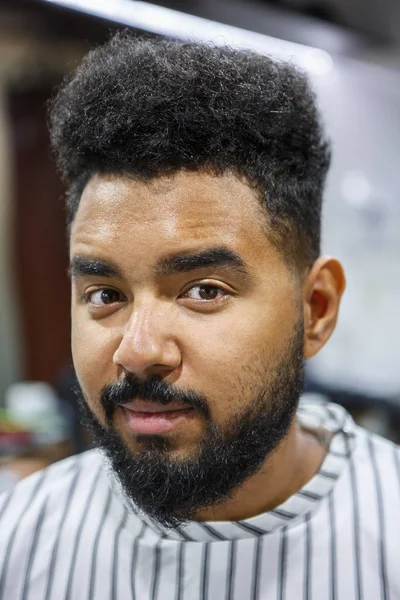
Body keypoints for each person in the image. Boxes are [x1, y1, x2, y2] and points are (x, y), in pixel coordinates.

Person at [0, 33, 398, 600]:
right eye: (103, 294)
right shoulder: (21, 539)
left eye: (203, 291)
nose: (135, 351)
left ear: (315, 310)